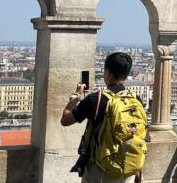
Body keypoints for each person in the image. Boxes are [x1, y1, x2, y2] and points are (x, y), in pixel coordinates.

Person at [61, 52, 144, 183]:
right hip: (128, 168)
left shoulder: (96, 99)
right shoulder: (135, 100)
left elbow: (65, 120)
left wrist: (75, 97)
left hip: (100, 169)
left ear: (108, 72)